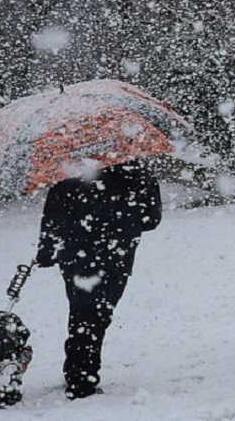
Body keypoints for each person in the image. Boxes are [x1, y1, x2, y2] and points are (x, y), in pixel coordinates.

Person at [35, 161, 162, 399]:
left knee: (80, 313)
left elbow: (53, 219)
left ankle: (78, 371)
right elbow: (151, 219)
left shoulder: (68, 174)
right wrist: (123, 224)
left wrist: (47, 252)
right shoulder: (138, 176)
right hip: (116, 257)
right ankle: (82, 376)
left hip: (75, 257)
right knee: (98, 316)